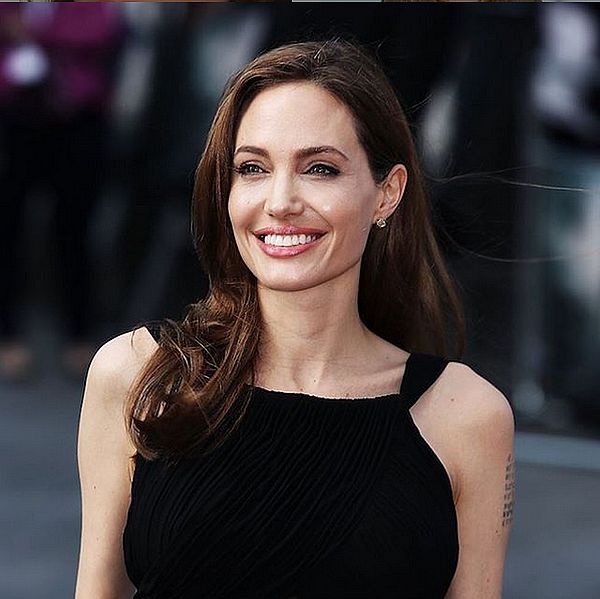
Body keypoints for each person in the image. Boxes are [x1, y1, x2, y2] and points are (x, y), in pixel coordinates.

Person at [75, 38, 515, 599]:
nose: (280, 201)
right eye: (253, 168)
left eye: (320, 169)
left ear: (387, 194)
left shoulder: (466, 416)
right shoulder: (140, 375)